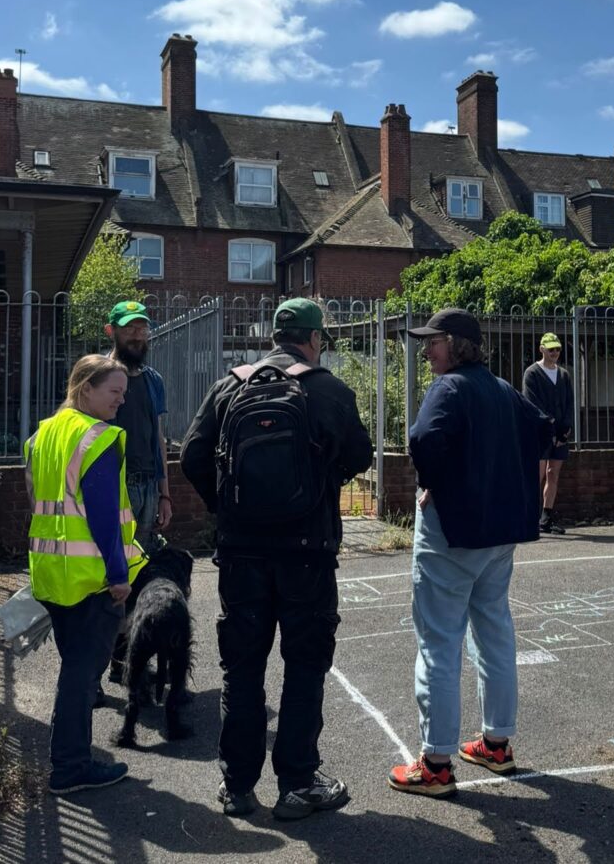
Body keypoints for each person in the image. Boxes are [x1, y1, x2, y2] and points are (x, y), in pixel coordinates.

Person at [180, 298, 372, 821]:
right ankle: (298, 784)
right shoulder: (328, 389)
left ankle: (237, 787)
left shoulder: (230, 386)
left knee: (241, 669)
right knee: (304, 667)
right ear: (314, 339)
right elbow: (361, 456)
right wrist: (315, 483)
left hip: (241, 554)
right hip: (307, 553)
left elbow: (193, 457)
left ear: (275, 338)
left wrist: (230, 509)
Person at [388, 309, 552, 797]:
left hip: (453, 533)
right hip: (499, 534)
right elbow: (545, 430)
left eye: (433, 342)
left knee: (439, 641)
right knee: (494, 630)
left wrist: (433, 482)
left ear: (458, 344)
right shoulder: (502, 388)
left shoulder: (450, 388)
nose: (426, 350)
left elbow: (422, 439)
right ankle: (496, 744)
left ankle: (436, 763)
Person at [23, 354, 146, 794]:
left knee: (73, 667)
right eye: (113, 391)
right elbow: (103, 518)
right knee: (81, 672)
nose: (120, 400)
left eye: (124, 393)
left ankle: (68, 757)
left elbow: (37, 497)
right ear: (85, 388)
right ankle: (70, 766)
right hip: (89, 577)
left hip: (52, 570)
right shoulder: (97, 437)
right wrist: (119, 575)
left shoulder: (43, 434)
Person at [105, 301, 172, 550]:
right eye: (129, 329)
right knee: (112, 563)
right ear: (110, 331)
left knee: (142, 560)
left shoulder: (153, 380)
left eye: (142, 330)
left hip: (149, 487)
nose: (137, 337)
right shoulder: (97, 376)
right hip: (114, 485)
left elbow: (158, 438)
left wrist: (164, 494)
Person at [522, 332, 574, 535]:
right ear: (541, 349)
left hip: (560, 434)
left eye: (558, 349)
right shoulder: (532, 373)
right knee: (538, 474)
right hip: (540, 433)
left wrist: (565, 429)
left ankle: (546, 517)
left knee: (554, 474)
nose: (555, 353)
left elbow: (569, 403)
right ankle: (529, 516)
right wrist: (550, 427)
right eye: (551, 349)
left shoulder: (564, 375)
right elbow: (532, 403)